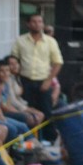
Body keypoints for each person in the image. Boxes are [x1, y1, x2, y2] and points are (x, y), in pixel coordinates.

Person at [11, 13, 63, 144]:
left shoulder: (50, 42)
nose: (37, 24)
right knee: (27, 112)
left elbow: (58, 63)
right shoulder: (20, 41)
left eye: (40, 22)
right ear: (28, 24)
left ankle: (49, 140)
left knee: (46, 111)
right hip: (25, 81)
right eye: (33, 22)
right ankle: (29, 141)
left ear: (43, 24)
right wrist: (17, 81)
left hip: (43, 81)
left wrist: (49, 80)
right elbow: (13, 61)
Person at [0, 55, 45, 128]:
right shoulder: (7, 80)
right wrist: (25, 110)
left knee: (40, 114)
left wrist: (27, 108)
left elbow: (18, 98)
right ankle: (30, 137)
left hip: (20, 105)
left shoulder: (16, 77)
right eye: (11, 64)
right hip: (13, 108)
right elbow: (11, 101)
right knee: (34, 117)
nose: (15, 66)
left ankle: (36, 137)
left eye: (16, 63)